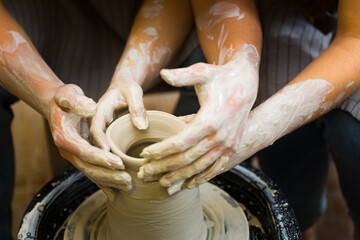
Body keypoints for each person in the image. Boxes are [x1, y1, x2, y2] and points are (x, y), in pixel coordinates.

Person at [137, 0, 360, 239]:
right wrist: (240, 66)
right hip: (278, 13)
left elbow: (354, 39)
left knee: (351, 134)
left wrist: (256, 130)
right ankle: (299, 224)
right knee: (279, 118)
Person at [0, 0, 202, 238]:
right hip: (44, 13)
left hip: (153, 12)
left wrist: (129, 74)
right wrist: (46, 93)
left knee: (213, 84)